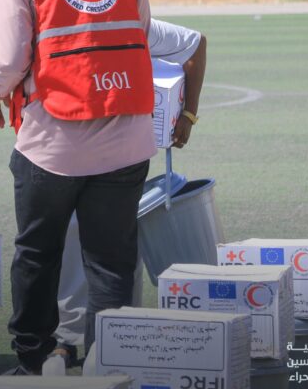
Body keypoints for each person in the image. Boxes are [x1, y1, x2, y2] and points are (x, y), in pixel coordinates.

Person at [0, 0, 158, 374]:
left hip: (53, 143)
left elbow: (9, 60)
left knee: (38, 252)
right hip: (126, 138)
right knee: (111, 259)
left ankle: (35, 357)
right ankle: (112, 359)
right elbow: (140, 30)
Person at [55, 18, 207, 365]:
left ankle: (118, 334)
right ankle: (70, 336)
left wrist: (188, 114)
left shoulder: (136, 23)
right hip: (68, 146)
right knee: (71, 237)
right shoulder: (60, 25)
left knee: (117, 243)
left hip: (123, 151)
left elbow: (197, 44)